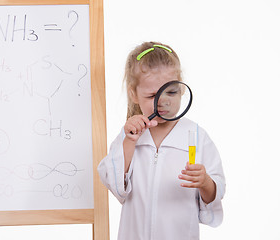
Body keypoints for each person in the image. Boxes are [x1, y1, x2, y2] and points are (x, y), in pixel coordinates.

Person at [97, 41, 226, 240]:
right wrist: (129, 142)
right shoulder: (130, 136)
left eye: (171, 92)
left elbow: (214, 194)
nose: (163, 101)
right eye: (151, 95)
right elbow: (114, 183)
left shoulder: (196, 136)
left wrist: (206, 182)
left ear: (182, 89)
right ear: (134, 95)